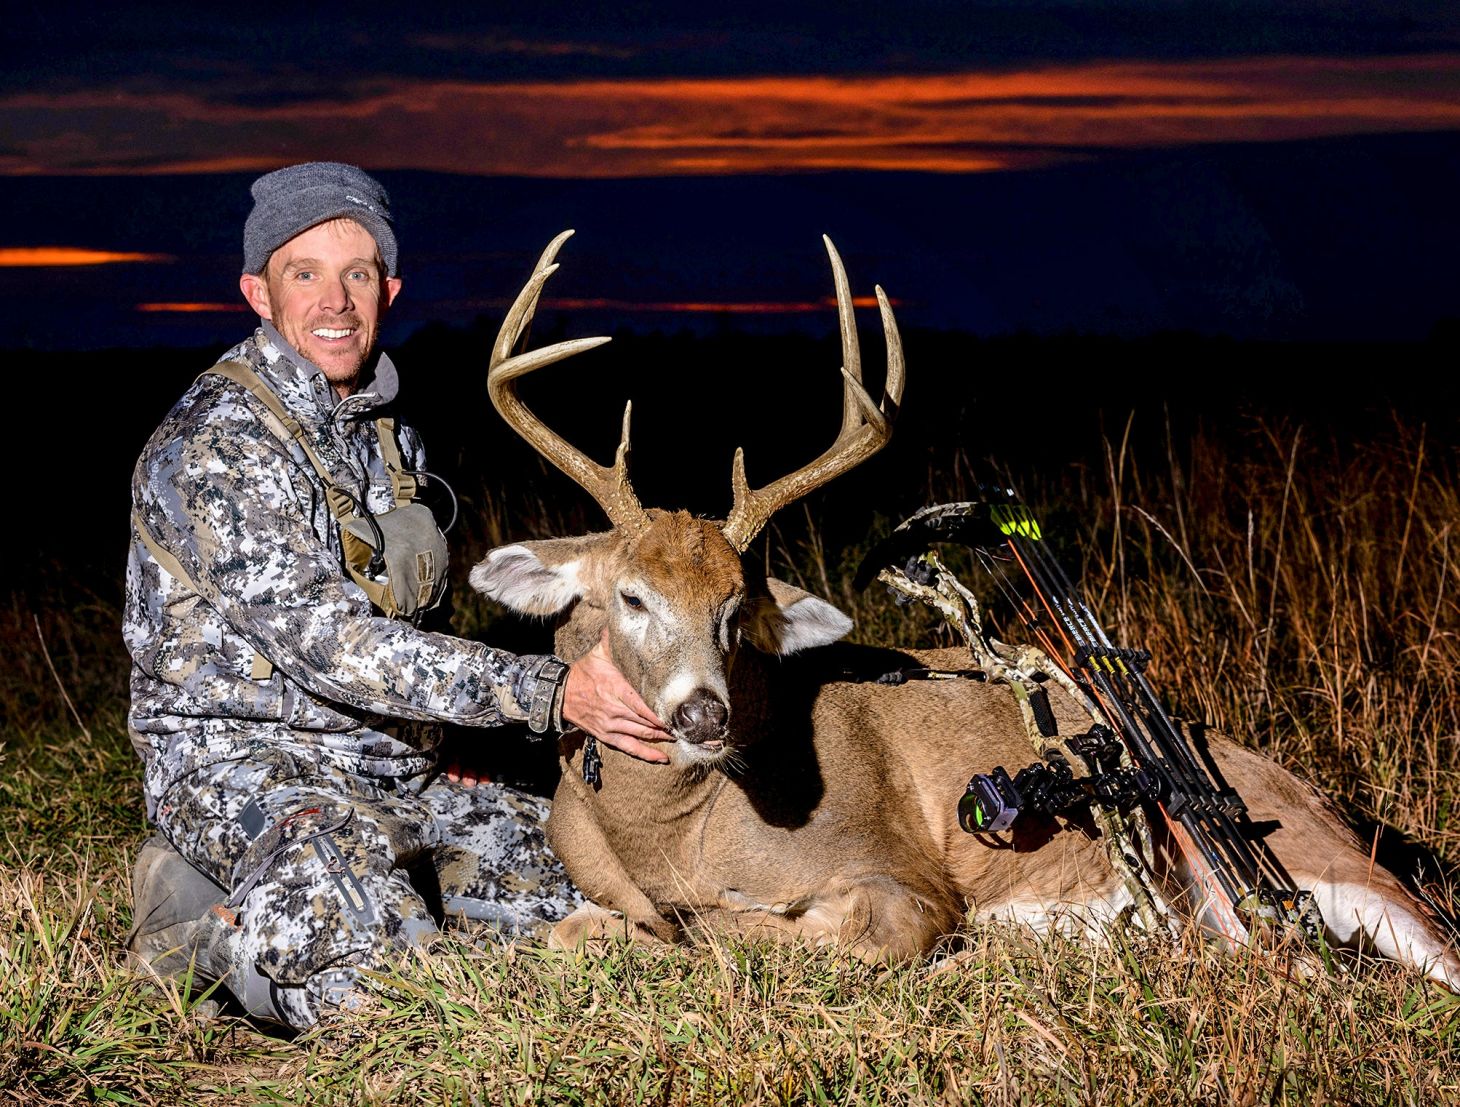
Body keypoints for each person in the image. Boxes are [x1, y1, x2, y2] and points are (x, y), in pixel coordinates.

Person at [122, 161, 672, 1030]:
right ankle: (201, 925)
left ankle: (372, 896)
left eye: (358, 274)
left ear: (390, 288)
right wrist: (548, 692)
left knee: (618, 895)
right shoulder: (217, 442)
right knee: (398, 997)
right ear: (258, 294)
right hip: (248, 768)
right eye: (304, 274)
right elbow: (332, 644)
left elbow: (408, 617)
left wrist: (442, 730)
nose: (335, 302)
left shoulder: (383, 431)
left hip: (391, 767)